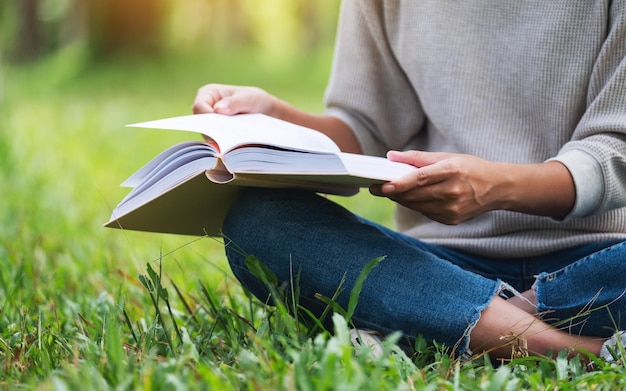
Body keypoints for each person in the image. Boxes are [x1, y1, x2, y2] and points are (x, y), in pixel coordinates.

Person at [192, 1, 626, 362]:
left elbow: (616, 147)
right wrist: (275, 120)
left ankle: (456, 321)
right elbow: (363, 127)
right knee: (260, 222)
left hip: (601, 261)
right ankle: (570, 348)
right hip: (440, 262)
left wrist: (499, 187)